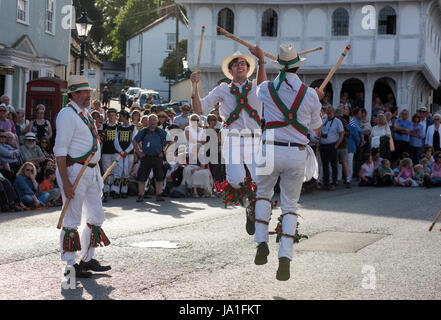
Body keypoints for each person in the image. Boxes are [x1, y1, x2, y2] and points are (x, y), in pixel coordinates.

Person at [253, 44, 324, 281]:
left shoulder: (268, 88)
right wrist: (317, 100)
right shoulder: (310, 94)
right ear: (298, 65)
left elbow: (258, 86)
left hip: (269, 147)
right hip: (296, 152)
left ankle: (261, 242)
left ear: (280, 65)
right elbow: (316, 129)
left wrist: (261, 62)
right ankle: (285, 256)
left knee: (263, 194)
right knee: (290, 205)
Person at [191, 47, 266, 235]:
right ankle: (250, 206)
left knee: (261, 181)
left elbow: (263, 86)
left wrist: (262, 61)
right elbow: (199, 109)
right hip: (232, 138)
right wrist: (194, 85)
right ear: (230, 70)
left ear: (248, 69)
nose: (240, 66)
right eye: (236, 64)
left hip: (254, 139)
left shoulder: (258, 86)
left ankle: (253, 208)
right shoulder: (223, 89)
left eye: (243, 63)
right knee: (235, 180)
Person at [54, 75, 111, 278]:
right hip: (74, 171)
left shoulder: (85, 113)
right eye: (86, 92)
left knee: (96, 215)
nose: (89, 95)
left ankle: (87, 259)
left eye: (89, 91)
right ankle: (70, 265)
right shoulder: (67, 114)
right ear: (74, 94)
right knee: (71, 218)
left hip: (91, 171)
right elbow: (59, 150)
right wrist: (66, 182)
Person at [133, 114, 168, 202]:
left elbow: (170, 141)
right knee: (142, 177)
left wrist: (164, 151)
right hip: (146, 157)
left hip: (157, 157)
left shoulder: (161, 131)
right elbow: (134, 140)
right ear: (148, 122)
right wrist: (139, 152)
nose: (152, 122)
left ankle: (159, 194)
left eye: (154, 120)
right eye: (150, 120)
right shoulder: (144, 131)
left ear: (157, 121)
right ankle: (141, 195)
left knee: (159, 177)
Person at [112, 110, 137, 199]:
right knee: (118, 171)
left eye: (120, 116)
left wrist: (127, 151)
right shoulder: (118, 128)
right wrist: (120, 151)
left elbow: (134, 140)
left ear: (125, 117)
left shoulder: (133, 128)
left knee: (126, 172)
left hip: (128, 154)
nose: (119, 118)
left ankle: (124, 191)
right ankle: (115, 190)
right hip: (119, 153)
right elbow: (116, 141)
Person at [319, 106, 344, 190]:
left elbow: (341, 134)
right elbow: (320, 133)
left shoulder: (337, 121)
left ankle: (333, 183)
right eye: (327, 111)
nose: (329, 112)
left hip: (332, 145)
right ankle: (326, 183)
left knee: (333, 165)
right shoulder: (324, 121)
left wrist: (336, 146)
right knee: (325, 165)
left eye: (330, 110)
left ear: (333, 112)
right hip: (323, 145)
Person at [101, 108, 119, 202]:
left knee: (116, 171)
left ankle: (115, 190)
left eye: (113, 115)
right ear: (107, 116)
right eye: (110, 115)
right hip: (106, 152)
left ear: (116, 116)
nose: (112, 117)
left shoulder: (119, 126)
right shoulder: (103, 126)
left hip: (116, 152)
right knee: (106, 171)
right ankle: (106, 189)